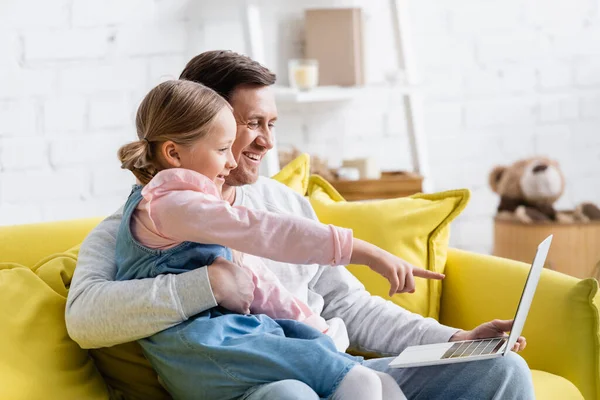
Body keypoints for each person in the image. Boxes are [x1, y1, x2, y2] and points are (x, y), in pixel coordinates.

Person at [66, 50, 534, 400]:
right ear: (200, 123)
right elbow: (85, 318)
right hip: (254, 387)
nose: (266, 142)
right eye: (251, 124)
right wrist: (207, 283)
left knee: (502, 369)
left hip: (334, 364)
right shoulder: (139, 225)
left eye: (272, 123)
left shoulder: (283, 202)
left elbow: (349, 304)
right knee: (292, 394)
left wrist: (453, 341)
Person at [114, 79, 414, 399]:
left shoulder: (200, 211)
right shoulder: (172, 206)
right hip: (202, 348)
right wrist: (363, 251)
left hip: (239, 335)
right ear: (173, 153)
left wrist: (313, 325)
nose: (231, 161)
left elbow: (258, 281)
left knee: (379, 381)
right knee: (362, 381)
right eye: (221, 150)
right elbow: (265, 232)